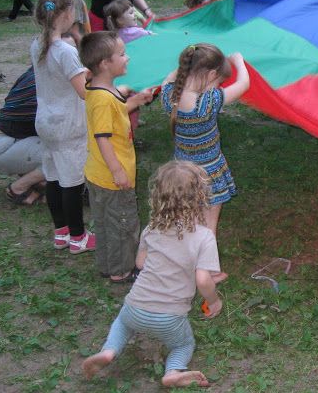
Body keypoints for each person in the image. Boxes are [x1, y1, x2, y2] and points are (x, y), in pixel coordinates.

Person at [81, 161, 223, 388]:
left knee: (122, 324)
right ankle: (173, 370)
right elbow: (203, 279)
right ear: (199, 197)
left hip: (135, 305)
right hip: (170, 316)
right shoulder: (204, 237)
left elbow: (140, 262)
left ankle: (109, 351)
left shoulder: (152, 228)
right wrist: (213, 301)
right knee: (182, 345)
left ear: (158, 196)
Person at [161, 44, 249, 282]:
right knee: (209, 225)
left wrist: (188, 62)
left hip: (181, 175)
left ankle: (182, 262)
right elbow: (243, 85)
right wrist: (238, 61)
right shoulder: (207, 102)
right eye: (218, 81)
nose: (218, 86)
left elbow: (172, 76)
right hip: (208, 174)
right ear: (211, 75)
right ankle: (209, 271)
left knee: (186, 219)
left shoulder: (169, 95)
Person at [79, 32, 153, 283]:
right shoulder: (102, 99)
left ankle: (108, 265)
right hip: (111, 177)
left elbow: (115, 113)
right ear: (105, 64)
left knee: (104, 222)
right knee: (123, 225)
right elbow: (103, 138)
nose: (127, 57)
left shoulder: (100, 89)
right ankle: (121, 271)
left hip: (98, 174)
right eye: (121, 54)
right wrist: (118, 171)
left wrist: (134, 101)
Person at [30, 0, 94, 253]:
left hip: (46, 123)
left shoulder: (38, 44)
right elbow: (83, 93)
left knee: (54, 178)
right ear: (67, 14)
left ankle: (61, 231)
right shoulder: (65, 52)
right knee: (72, 182)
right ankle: (79, 237)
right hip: (69, 127)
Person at [0, 66, 45, 206]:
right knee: (70, 152)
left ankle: (39, 179)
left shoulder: (37, 70)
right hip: (4, 146)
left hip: (4, 141)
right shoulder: (50, 84)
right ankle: (18, 188)